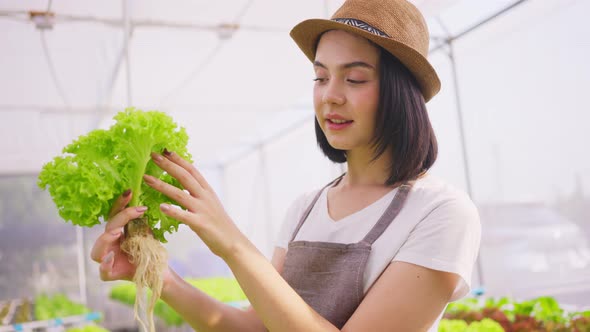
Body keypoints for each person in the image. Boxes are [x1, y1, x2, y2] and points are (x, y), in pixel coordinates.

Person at [91, 0, 481, 330]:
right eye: (320, 77)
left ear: (401, 94)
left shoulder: (441, 213)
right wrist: (158, 276)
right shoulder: (306, 208)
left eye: (355, 79)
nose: (330, 96)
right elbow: (253, 328)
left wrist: (233, 245)